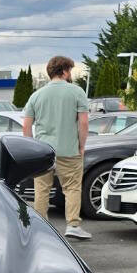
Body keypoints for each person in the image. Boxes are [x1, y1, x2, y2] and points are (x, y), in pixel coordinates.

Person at [21, 56, 91, 239]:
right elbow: (83, 123)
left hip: (43, 152)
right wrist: (81, 146)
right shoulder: (77, 92)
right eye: (70, 70)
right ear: (65, 71)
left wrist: (31, 149)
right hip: (70, 150)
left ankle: (41, 225)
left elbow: (26, 126)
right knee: (72, 188)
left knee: (42, 189)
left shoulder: (36, 95)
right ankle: (73, 225)